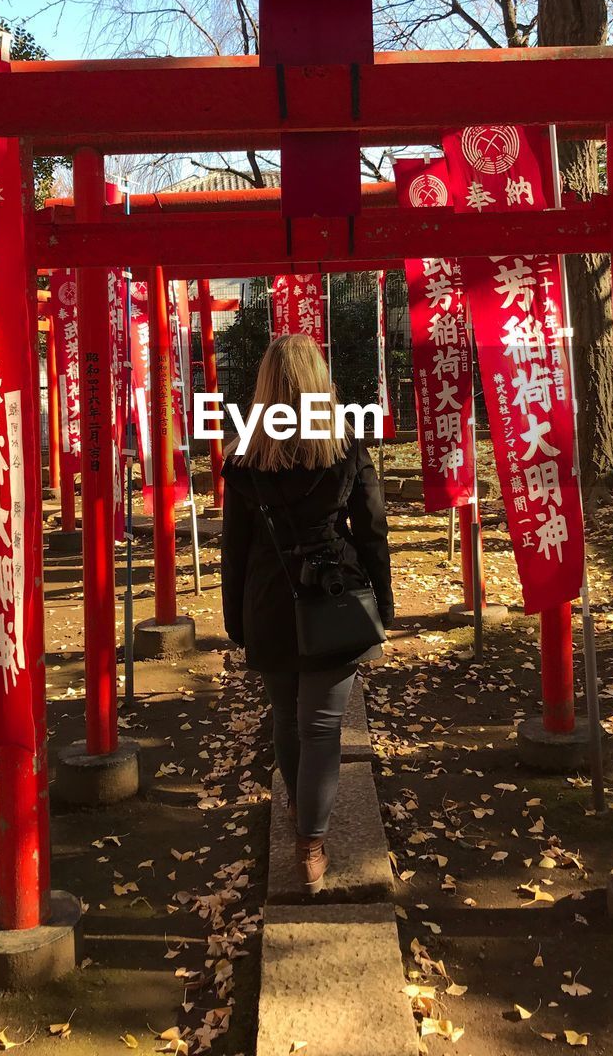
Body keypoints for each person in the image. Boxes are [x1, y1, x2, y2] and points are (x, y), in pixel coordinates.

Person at [220, 333, 394, 893]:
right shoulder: (345, 447)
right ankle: (311, 844)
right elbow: (372, 531)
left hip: (268, 602)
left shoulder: (246, 455)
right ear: (321, 383)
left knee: (287, 719)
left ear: (265, 386)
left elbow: (235, 548)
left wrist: (234, 619)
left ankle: (301, 815)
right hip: (333, 600)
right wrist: (383, 605)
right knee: (322, 728)